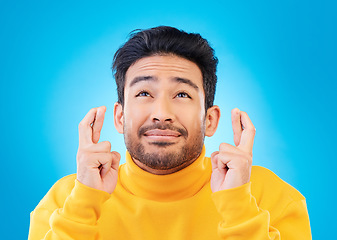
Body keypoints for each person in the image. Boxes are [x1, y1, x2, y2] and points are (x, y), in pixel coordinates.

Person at [28, 26, 311, 239]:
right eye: (143, 92)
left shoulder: (274, 199)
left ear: (210, 120)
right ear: (120, 116)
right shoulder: (63, 203)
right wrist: (84, 204)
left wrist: (237, 206)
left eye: (182, 94)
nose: (162, 112)